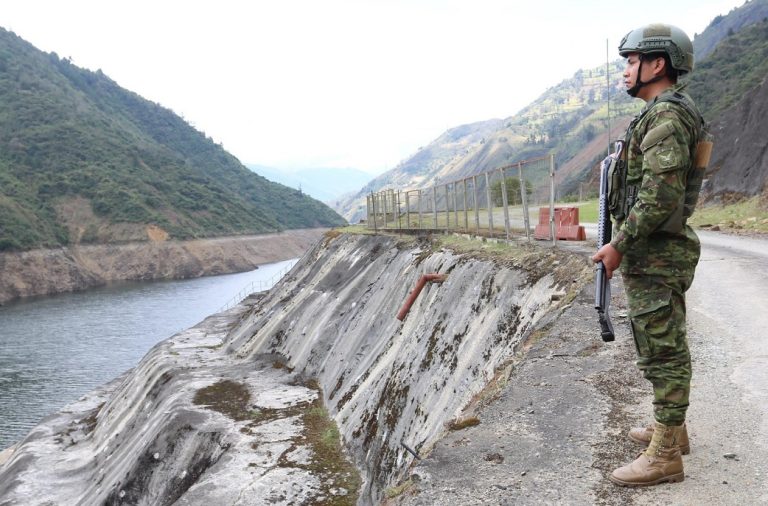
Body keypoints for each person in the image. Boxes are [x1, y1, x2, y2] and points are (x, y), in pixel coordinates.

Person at [592, 23, 709, 487]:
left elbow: (660, 196)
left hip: (656, 252)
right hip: (655, 250)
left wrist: (619, 245)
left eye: (632, 60)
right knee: (661, 342)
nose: (625, 70)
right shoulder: (662, 113)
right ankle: (673, 432)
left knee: (663, 350)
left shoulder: (666, 117)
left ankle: (664, 457)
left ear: (656, 64)